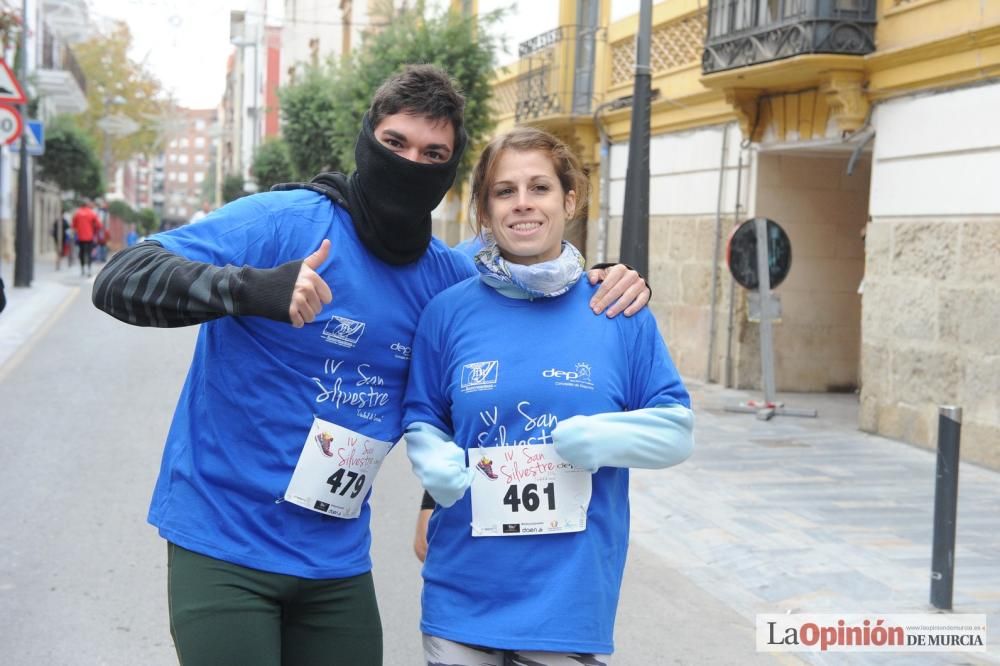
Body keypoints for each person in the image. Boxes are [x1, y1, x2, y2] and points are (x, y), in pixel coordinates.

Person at [92, 65, 650, 666]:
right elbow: (121, 278)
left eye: (433, 153)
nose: (412, 163)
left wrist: (606, 278)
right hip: (225, 542)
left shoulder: (445, 278)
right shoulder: (288, 222)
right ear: (367, 139)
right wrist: (251, 288)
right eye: (395, 144)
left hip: (334, 560)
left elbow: (512, 318)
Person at [402, 127, 695, 665]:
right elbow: (424, 413)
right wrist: (431, 459)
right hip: (462, 588)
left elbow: (676, 430)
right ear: (485, 211)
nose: (523, 204)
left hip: (569, 597)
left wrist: (604, 437)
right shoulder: (447, 313)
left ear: (570, 199)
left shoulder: (617, 308)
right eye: (504, 191)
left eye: (539, 187)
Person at [71, 199, 101, 277]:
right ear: (87, 205)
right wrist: (93, 229)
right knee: (89, 253)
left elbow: (73, 226)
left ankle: (82, 269)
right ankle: (89, 269)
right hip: (89, 237)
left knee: (81, 253)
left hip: (80, 237)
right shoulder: (91, 213)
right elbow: (98, 225)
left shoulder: (77, 213)